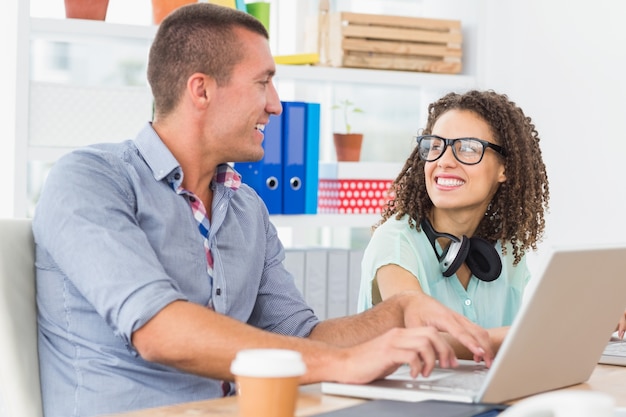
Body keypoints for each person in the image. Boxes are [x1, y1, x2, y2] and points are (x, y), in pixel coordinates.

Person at [32, 4, 494, 417]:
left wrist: (399, 311)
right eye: (263, 82)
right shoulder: (90, 180)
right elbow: (160, 331)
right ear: (201, 90)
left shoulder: (246, 208)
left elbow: (303, 338)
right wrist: (345, 364)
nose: (275, 105)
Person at [358, 90, 550, 357]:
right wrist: (534, 331)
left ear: (504, 169)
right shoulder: (396, 243)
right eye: (436, 146)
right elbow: (426, 343)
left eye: (468, 148)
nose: (444, 161)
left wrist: (595, 313)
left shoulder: (508, 249)